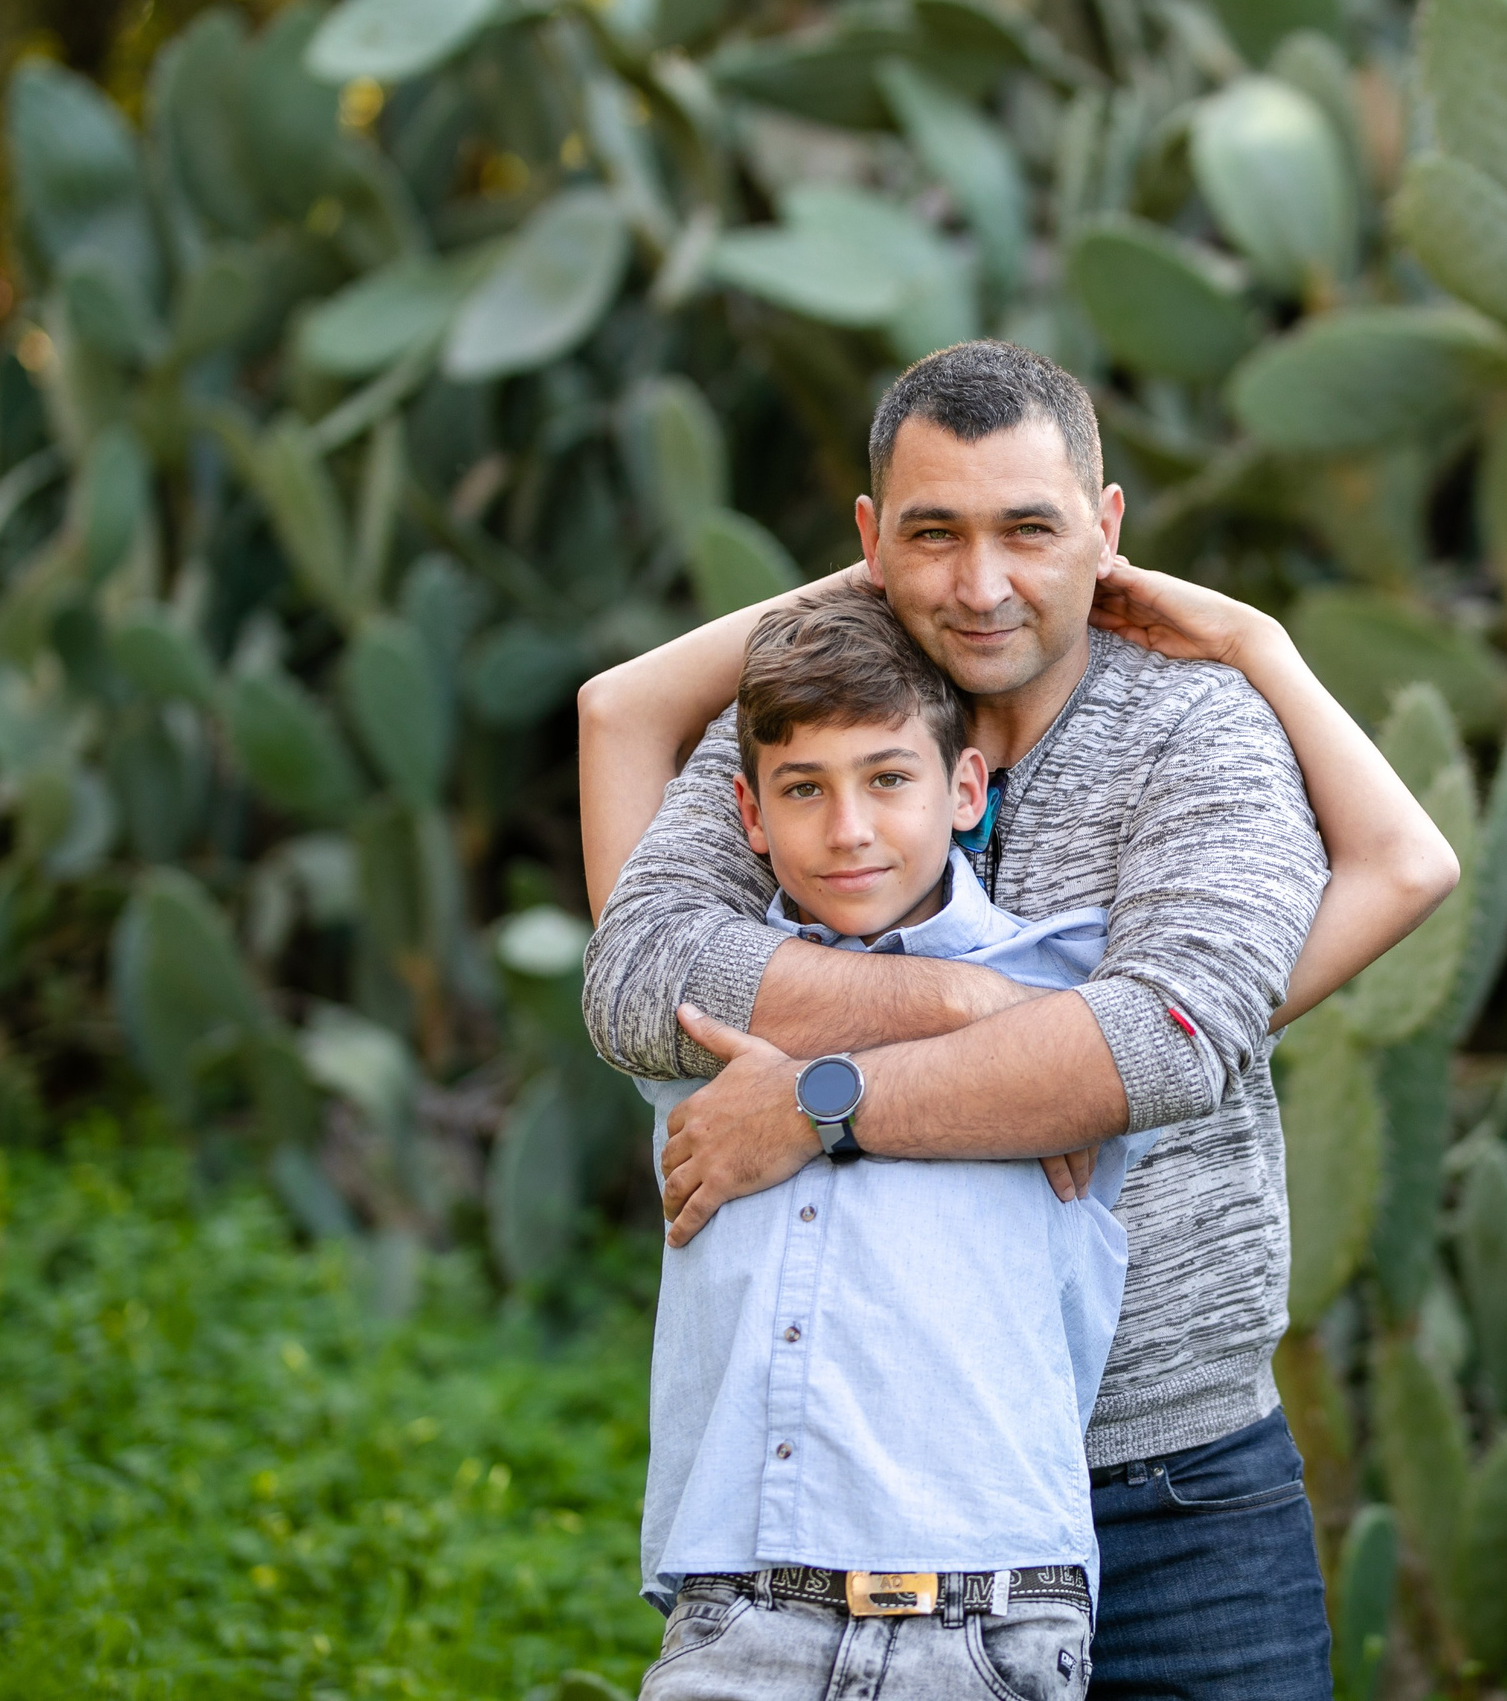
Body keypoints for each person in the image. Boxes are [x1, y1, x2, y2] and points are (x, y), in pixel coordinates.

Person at [581, 339, 1458, 1699]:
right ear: (870, 539)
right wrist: (983, 1010)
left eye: (1029, 530)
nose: (980, 586)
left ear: (1106, 533)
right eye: (932, 533)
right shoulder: (811, 724)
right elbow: (645, 980)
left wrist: (818, 1104)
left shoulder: (1200, 733)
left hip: (1173, 1489)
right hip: (874, 1511)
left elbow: (1163, 1037)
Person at [630, 582, 1136, 1698]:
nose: (848, 828)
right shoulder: (697, 996)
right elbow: (613, 711)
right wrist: (884, 579)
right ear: (749, 817)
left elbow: (1404, 871)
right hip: (737, 1616)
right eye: (802, 789)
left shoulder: (1078, 992)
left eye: (889, 779)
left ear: (965, 789)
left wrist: (1243, 635)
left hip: (990, 1618)